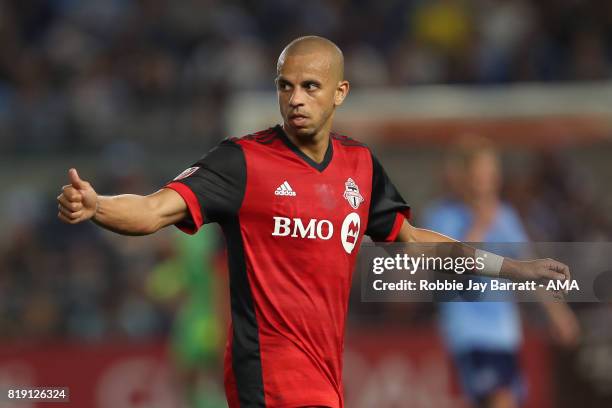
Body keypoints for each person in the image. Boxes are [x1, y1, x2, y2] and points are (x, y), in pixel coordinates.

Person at [57, 36, 570, 408]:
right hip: (266, 374)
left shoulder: (361, 168)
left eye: (309, 86)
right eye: (285, 86)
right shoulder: (241, 162)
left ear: (340, 93)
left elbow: (415, 242)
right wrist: (97, 204)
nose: (295, 98)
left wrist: (509, 268)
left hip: (325, 376)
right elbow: (152, 210)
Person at [423, 139, 580, 408]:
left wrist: (559, 315)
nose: (488, 182)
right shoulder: (443, 217)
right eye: (481, 175)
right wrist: (480, 224)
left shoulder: (505, 217)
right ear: (465, 176)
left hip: (505, 334)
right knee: (500, 400)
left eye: (492, 175)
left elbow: (529, 268)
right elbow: (450, 270)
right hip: (471, 333)